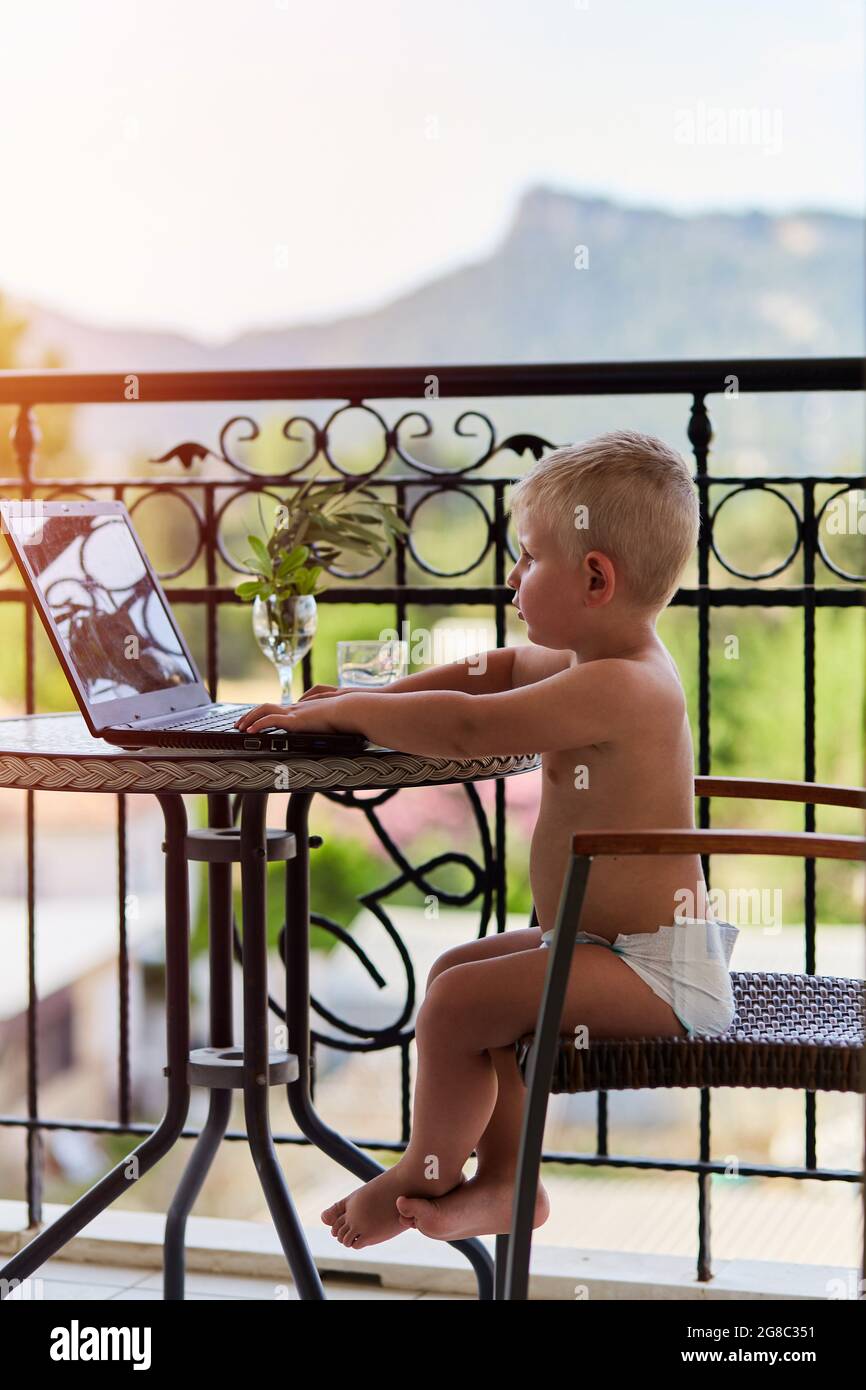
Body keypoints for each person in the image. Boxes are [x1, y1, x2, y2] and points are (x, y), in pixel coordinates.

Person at [235, 430, 740, 1249]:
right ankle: (510, 1181)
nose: (512, 575)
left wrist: (352, 714)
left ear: (594, 579)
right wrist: (380, 692)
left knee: (463, 1005)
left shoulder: (625, 683)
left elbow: (473, 726)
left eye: (528, 557)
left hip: (655, 972)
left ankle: (422, 1172)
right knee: (458, 974)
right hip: (596, 944)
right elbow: (497, 673)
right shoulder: (598, 658)